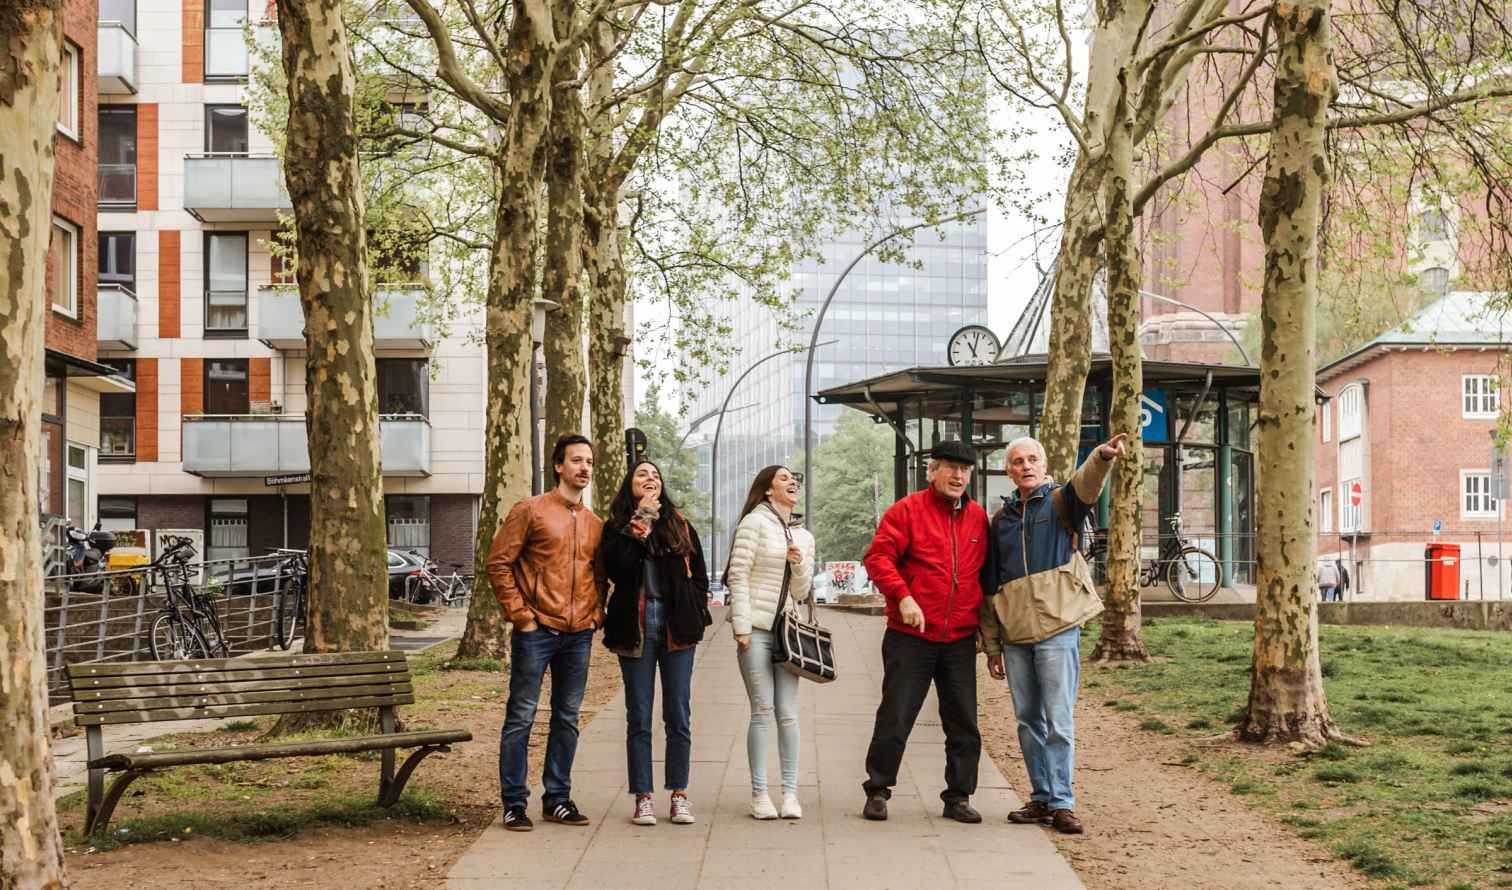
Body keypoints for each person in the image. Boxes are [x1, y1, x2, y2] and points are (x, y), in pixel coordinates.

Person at [980, 433, 1127, 836]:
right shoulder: (1001, 520)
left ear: (1044, 464)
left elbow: (1088, 481)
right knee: (1028, 721)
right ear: (1008, 471)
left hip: (1058, 628)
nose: (1025, 466)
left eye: (1032, 459)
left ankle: (1063, 802)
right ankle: (1041, 797)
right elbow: (989, 586)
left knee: (1058, 720)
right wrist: (992, 644)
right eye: (1017, 461)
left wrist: (1102, 456)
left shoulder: (1065, 501)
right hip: (1015, 636)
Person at [859, 439, 990, 824]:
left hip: (959, 639)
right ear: (931, 470)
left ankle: (959, 796)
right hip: (910, 636)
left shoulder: (978, 518)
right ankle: (878, 789)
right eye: (950, 467)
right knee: (896, 716)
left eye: (965, 469)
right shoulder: (907, 511)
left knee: (964, 722)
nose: (958, 475)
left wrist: (985, 627)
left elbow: (984, 575)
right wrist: (902, 596)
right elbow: (878, 557)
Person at [487, 434, 608, 832]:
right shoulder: (531, 511)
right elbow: (499, 564)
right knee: (521, 716)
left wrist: (596, 614)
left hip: (578, 635)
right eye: (576, 460)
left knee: (567, 717)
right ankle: (514, 803)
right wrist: (522, 616)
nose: (584, 468)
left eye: (589, 461)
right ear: (559, 466)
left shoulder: (594, 524)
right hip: (536, 631)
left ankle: (557, 798)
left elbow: (599, 576)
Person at [598, 461, 710, 826]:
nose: (651, 480)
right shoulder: (617, 527)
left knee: (678, 714)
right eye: (642, 475)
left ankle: (679, 793)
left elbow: (700, 577)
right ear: (629, 485)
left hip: (676, 626)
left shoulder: (679, 524)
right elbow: (619, 569)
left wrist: (695, 609)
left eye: (656, 476)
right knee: (639, 715)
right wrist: (640, 522)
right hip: (636, 626)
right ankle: (643, 796)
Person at [725, 465, 815, 820]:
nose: (792, 482)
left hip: (788, 632)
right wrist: (742, 627)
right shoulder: (754, 523)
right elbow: (738, 574)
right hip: (757, 631)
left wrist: (799, 565)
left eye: (795, 478)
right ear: (766, 490)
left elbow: (801, 591)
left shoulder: (802, 536)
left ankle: (790, 793)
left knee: (788, 714)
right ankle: (760, 794)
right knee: (762, 711)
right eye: (783, 478)